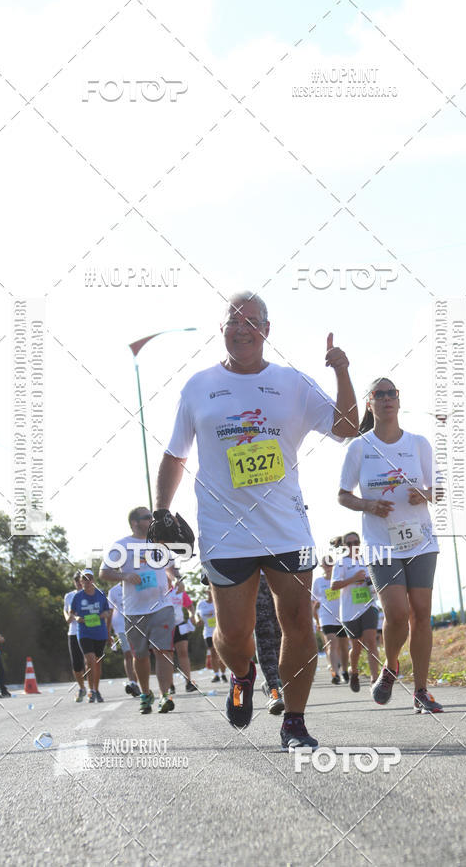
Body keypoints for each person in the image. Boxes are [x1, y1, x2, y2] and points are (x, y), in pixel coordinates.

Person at [154, 291, 358, 749]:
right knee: (233, 635)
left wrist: (342, 371)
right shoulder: (198, 386)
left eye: (251, 321)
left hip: (286, 526)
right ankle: (243, 675)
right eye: (233, 320)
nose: (241, 328)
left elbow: (346, 427)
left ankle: (295, 722)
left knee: (299, 623)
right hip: (224, 531)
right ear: (222, 328)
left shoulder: (291, 383)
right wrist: (162, 511)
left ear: (267, 329)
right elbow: (175, 454)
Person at [338, 377, 444, 714]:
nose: (387, 398)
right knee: (397, 613)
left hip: (420, 540)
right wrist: (368, 505)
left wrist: (424, 494)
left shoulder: (418, 443)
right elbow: (343, 496)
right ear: (369, 403)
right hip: (380, 543)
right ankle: (391, 665)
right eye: (379, 394)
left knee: (421, 613)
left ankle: (421, 691)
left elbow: (440, 489)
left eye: (392, 393)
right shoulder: (359, 447)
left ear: (398, 400)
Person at [98, 507, 177, 715]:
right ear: (134, 522)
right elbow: (104, 572)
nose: (152, 520)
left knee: (164, 651)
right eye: (147, 517)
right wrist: (124, 576)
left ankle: (165, 695)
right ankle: (145, 694)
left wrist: (175, 578)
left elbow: (170, 568)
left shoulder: (160, 543)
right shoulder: (122, 545)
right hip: (134, 610)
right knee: (140, 656)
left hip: (162, 606)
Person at [330, 532, 379, 692]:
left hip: (369, 605)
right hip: (350, 610)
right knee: (356, 647)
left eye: (356, 542)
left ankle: (374, 680)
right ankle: (354, 672)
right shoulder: (341, 563)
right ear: (344, 546)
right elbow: (334, 586)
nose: (353, 546)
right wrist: (353, 579)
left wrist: (370, 581)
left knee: (371, 641)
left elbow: (377, 579)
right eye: (349, 543)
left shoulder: (367, 560)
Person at [69, 569, 111, 702]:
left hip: (99, 633)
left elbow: (107, 611)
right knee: (90, 660)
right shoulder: (77, 597)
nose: (87, 581)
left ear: (93, 580)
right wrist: (76, 618)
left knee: (97, 662)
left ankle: (96, 689)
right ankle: (91, 690)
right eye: (84, 579)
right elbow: (72, 613)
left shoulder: (101, 594)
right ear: (81, 581)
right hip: (84, 632)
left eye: (90, 578)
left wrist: (104, 615)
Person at [312, 556, 349, 685]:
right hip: (326, 617)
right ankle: (335, 674)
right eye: (325, 564)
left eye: (330, 564)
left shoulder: (340, 580)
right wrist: (316, 620)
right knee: (332, 644)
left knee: (344, 646)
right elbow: (313, 602)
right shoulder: (318, 581)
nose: (328, 567)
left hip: (343, 616)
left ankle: (345, 671)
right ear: (322, 566)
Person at [255, 572, 284, 715]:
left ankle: (277, 683)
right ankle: (274, 691)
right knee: (265, 634)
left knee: (281, 635)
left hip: (280, 576)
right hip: (253, 578)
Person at [165, 577, 198, 692]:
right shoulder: (159, 594)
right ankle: (170, 685)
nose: (167, 582)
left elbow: (190, 606)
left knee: (183, 652)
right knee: (168, 656)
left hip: (180, 625)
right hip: (165, 628)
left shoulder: (178, 592)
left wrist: (192, 615)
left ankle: (188, 683)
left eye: (168, 579)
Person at [107, 581, 140, 698]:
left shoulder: (136, 586)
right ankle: (133, 682)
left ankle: (137, 683)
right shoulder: (113, 591)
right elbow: (110, 612)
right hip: (120, 627)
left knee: (137, 655)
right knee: (128, 654)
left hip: (136, 624)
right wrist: (107, 631)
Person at [63, 571, 87, 702]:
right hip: (73, 632)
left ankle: (93, 689)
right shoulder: (69, 596)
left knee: (89, 661)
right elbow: (66, 610)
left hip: (87, 631)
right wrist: (68, 616)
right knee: (77, 665)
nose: (78, 583)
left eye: (80, 580)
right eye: (76, 580)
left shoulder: (89, 594)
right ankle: (82, 688)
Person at [195, 588, 226, 682]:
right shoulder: (201, 604)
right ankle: (216, 675)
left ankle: (223, 674)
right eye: (209, 590)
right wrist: (198, 620)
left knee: (221, 653)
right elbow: (197, 615)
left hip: (219, 631)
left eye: (212, 590)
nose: (210, 592)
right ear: (206, 592)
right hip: (208, 632)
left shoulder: (219, 601)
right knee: (213, 652)